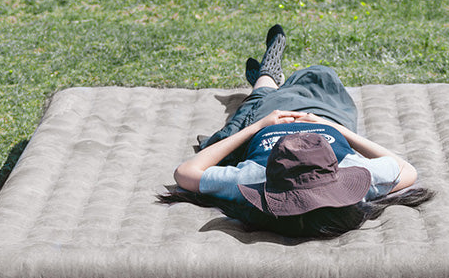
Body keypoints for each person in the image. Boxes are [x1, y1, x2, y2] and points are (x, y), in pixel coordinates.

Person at [159, 25, 433, 238]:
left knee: (259, 100)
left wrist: (258, 127)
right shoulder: (353, 185)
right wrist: (334, 128)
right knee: (322, 75)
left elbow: (185, 173)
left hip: (270, 119)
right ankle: (269, 77)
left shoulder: (253, 183)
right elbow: (406, 170)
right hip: (325, 117)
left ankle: (268, 73)